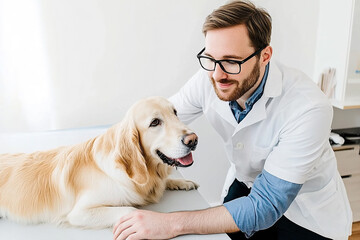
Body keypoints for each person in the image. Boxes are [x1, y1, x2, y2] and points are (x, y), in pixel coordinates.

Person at [112, 1, 352, 239]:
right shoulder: (210, 77)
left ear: (265, 56)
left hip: (305, 214)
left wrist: (170, 224)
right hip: (244, 185)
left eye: (232, 61)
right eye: (211, 59)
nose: (217, 75)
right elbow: (156, 121)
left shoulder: (308, 107)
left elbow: (265, 205)